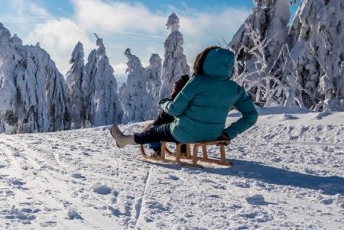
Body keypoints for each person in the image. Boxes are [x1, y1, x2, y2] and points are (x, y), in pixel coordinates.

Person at [110, 46, 258, 153]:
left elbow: (175, 109)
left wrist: (164, 103)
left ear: (204, 62)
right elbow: (251, 115)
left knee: (154, 131)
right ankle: (181, 152)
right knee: (168, 127)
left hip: (183, 133)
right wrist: (229, 133)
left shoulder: (197, 82)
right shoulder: (235, 88)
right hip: (214, 134)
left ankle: (124, 140)